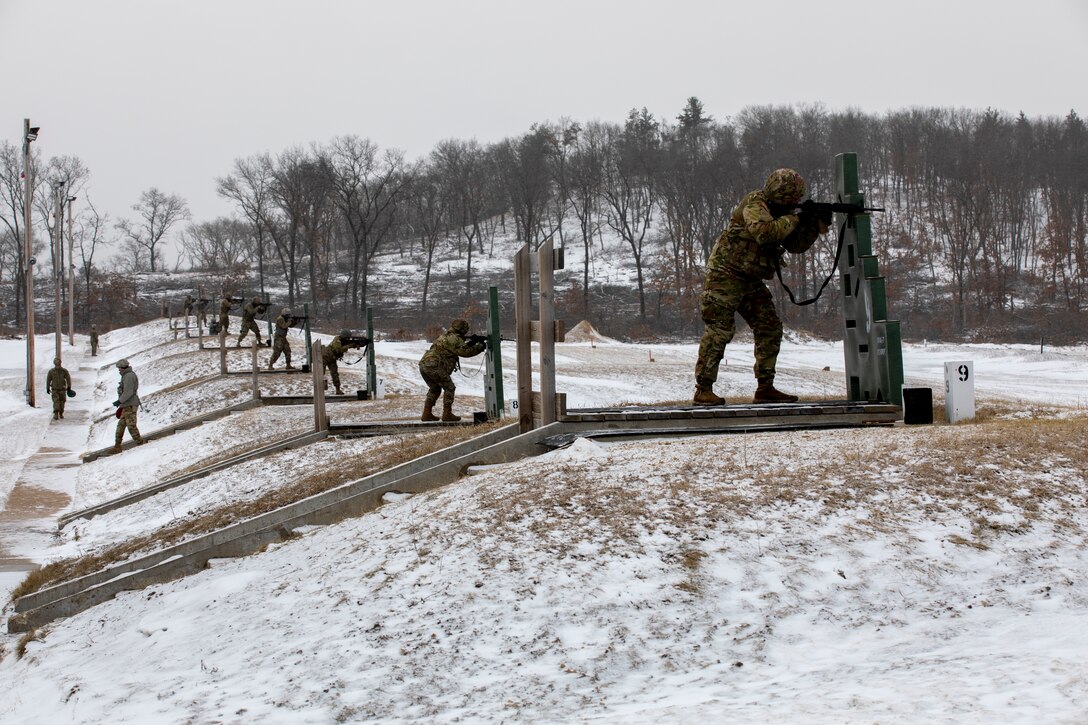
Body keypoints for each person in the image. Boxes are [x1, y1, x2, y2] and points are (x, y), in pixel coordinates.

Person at [694, 168, 828, 406]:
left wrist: (813, 225)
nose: (794, 202)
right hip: (725, 275)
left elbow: (795, 245)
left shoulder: (783, 212)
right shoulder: (755, 203)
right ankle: (703, 390)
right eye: (792, 198)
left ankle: (765, 387)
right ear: (782, 194)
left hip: (748, 279)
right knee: (720, 330)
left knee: (769, 327)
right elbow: (765, 233)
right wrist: (796, 218)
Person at [418, 318, 486, 422]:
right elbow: (465, 352)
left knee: (435, 388)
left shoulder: (445, 336)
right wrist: (480, 346)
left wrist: (471, 342)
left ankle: (427, 414)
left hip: (424, 365)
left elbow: (457, 347)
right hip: (434, 365)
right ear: (463, 329)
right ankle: (447, 414)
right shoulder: (454, 339)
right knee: (449, 387)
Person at [111, 358, 145, 452]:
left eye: (119, 368)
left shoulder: (129, 376)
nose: (118, 370)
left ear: (123, 368)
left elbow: (128, 392)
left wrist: (119, 401)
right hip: (126, 405)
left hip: (130, 404)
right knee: (120, 426)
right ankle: (117, 446)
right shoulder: (126, 375)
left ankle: (140, 443)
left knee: (131, 426)